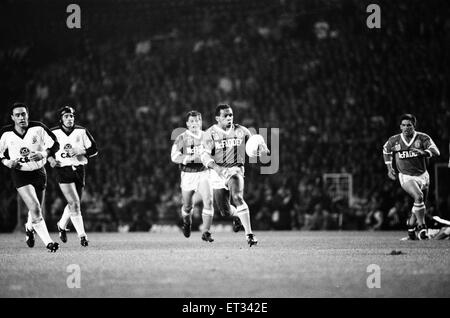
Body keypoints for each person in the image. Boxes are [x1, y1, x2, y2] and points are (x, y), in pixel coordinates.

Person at [201, 104, 269, 246]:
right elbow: (204, 156)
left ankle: (249, 235)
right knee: (224, 211)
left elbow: (255, 143)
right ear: (217, 118)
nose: (229, 118)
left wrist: (263, 147)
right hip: (217, 173)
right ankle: (237, 215)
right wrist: (216, 168)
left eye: (231, 115)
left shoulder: (241, 131)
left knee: (237, 197)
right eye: (225, 115)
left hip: (235, 170)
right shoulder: (210, 133)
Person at [0, 102, 60, 252]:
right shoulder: (6, 133)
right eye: (18, 115)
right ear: (12, 117)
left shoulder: (38, 128)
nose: (21, 117)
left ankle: (29, 227)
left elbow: (55, 144)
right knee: (35, 208)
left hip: (39, 172)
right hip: (20, 174)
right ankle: (49, 243)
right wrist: (8, 162)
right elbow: (0, 154)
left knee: (35, 208)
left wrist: (44, 154)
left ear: (28, 115)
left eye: (24, 114)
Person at [383, 113, 440, 240]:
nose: (406, 128)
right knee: (418, 196)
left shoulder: (422, 137)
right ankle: (422, 226)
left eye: (409, 125)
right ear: (400, 126)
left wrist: (424, 152)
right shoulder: (394, 140)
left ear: (414, 126)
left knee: (418, 204)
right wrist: (389, 168)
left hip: (423, 175)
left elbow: (436, 151)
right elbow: (386, 150)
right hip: (406, 176)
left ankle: (410, 228)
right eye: (403, 125)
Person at [48, 106, 98, 247]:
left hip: (79, 169)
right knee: (75, 203)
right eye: (66, 116)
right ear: (61, 119)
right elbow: (45, 150)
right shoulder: (53, 132)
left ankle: (62, 225)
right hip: (62, 169)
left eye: (71, 116)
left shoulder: (81, 131)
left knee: (74, 203)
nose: (69, 119)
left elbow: (94, 150)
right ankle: (82, 236)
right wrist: (51, 159)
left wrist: (80, 150)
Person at [171, 110, 214, 242]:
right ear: (187, 124)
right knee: (187, 206)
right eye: (192, 121)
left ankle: (206, 232)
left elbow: (212, 153)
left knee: (209, 200)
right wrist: (189, 158)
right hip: (188, 174)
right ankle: (186, 222)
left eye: (197, 121)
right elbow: (174, 156)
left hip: (203, 173)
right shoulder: (181, 138)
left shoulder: (207, 136)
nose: (194, 123)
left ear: (201, 122)